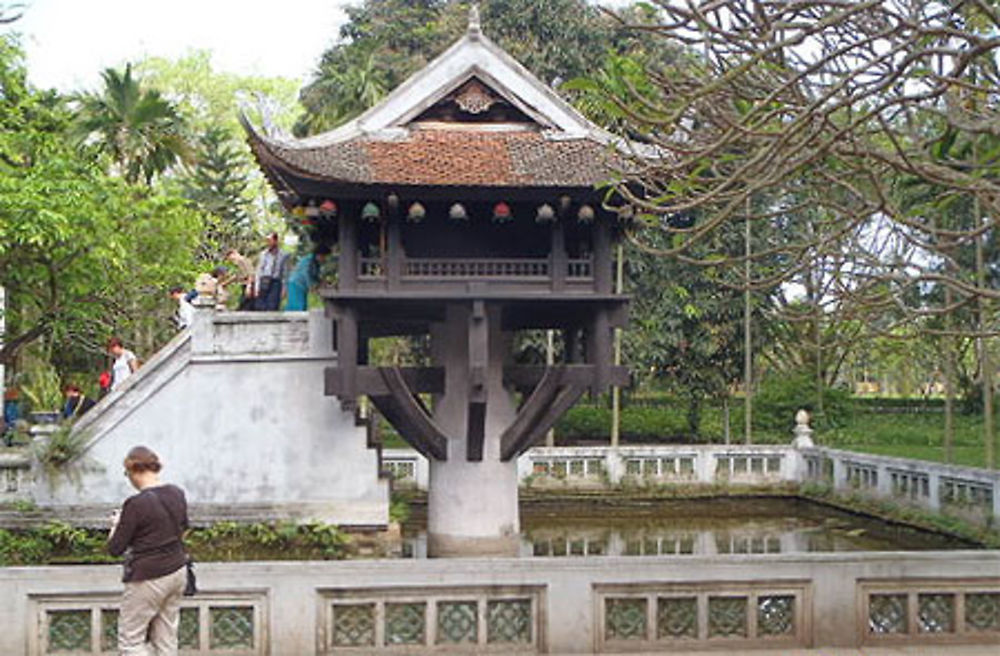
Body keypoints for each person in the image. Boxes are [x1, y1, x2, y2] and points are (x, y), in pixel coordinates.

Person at [108, 446, 188, 655]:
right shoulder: (177, 493)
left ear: (133, 470)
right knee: (166, 638)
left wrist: (116, 524)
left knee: (131, 641)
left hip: (148, 576)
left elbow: (115, 548)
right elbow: (183, 528)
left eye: (127, 474)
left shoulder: (135, 504)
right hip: (178, 571)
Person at [284, 244, 331, 311]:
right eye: (324, 256)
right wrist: (311, 287)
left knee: (302, 305)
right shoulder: (308, 261)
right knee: (297, 306)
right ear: (319, 255)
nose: (324, 259)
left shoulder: (316, 263)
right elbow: (306, 275)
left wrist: (322, 282)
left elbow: (315, 276)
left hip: (302, 286)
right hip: (296, 284)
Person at [254, 232, 289, 311]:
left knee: (273, 306)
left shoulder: (283, 255)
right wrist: (257, 287)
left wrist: (284, 289)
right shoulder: (263, 254)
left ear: (276, 241)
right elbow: (259, 271)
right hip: (264, 280)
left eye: (270, 240)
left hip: (276, 282)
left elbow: (285, 273)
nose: (268, 243)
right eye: (267, 240)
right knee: (260, 306)